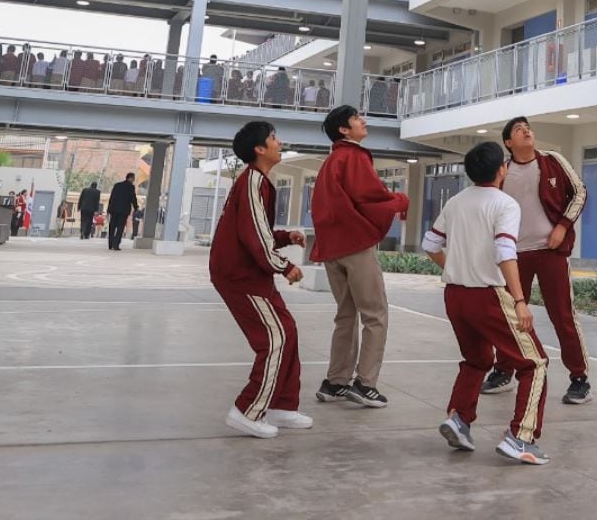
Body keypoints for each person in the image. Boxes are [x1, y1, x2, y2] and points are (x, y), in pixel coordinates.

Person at [423, 140, 549, 466]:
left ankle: (459, 419)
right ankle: (520, 437)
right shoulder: (505, 204)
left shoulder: (455, 202)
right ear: (501, 170)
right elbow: (505, 252)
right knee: (534, 363)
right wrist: (520, 300)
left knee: (477, 359)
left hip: (455, 295)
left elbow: (430, 243)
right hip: (488, 295)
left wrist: (455, 267)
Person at [209, 121, 310, 439]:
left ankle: (280, 405)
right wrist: (284, 266)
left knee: (287, 331)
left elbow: (258, 230)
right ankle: (247, 411)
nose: (279, 142)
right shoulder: (253, 181)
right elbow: (253, 236)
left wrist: (285, 236)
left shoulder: (258, 182)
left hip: (248, 272)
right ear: (259, 149)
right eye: (273, 138)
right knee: (274, 339)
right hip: (239, 275)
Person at [480, 118, 590, 406]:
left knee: (562, 315)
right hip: (514, 257)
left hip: (550, 251)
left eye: (527, 127)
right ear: (508, 143)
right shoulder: (502, 170)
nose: (526, 131)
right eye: (518, 130)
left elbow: (579, 192)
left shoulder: (553, 161)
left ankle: (579, 378)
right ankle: (503, 370)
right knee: (511, 315)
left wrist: (563, 226)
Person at [311, 105, 410, 410]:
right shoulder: (354, 156)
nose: (363, 121)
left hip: (332, 249)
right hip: (355, 246)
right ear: (344, 129)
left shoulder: (330, 162)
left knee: (345, 315)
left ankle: (335, 382)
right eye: (356, 119)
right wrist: (401, 200)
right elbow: (371, 197)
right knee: (375, 315)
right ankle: (365, 384)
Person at [106, 171, 138, 250]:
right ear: (130, 178)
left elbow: (112, 197)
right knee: (120, 228)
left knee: (112, 226)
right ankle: (116, 244)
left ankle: (110, 244)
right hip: (123, 211)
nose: (134, 180)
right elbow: (133, 198)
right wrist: (136, 207)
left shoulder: (117, 185)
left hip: (114, 209)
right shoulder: (131, 187)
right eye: (133, 178)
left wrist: (109, 208)